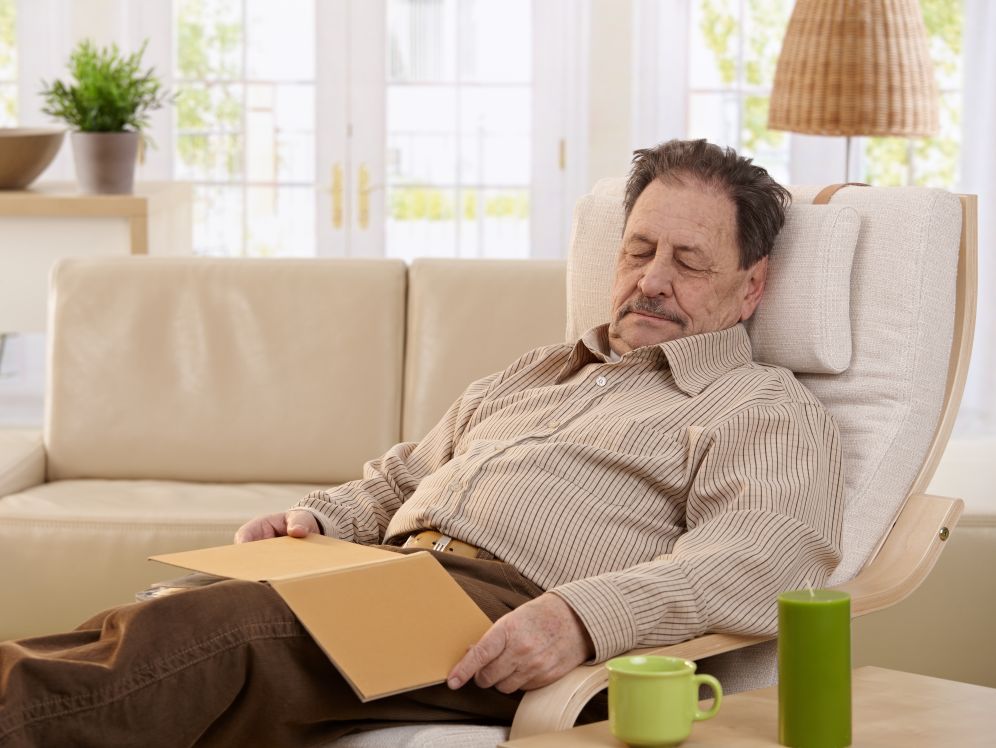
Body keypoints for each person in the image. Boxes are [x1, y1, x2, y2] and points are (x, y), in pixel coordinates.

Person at [0, 139, 843, 747]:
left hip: (504, 615)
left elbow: (759, 559)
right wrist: (319, 521)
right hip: (388, 582)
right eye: (639, 249)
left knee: (227, 634)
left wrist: (584, 618)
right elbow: (404, 474)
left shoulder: (761, 407)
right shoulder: (543, 368)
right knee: (153, 624)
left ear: (750, 288)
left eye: (689, 261)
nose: (651, 278)